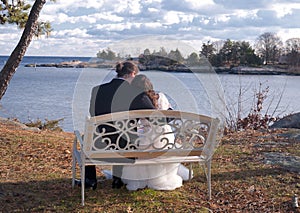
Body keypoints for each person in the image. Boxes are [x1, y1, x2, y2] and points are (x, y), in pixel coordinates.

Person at [76, 61, 155, 190]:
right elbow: (154, 116)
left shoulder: (97, 90)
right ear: (132, 73)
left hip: (99, 146)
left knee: (87, 138)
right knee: (124, 135)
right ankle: (118, 179)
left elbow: (93, 114)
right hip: (128, 148)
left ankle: (90, 180)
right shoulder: (136, 93)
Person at [121, 74, 188, 191]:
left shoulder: (137, 99)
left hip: (151, 138)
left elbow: (156, 121)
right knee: (151, 143)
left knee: (142, 143)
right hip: (166, 136)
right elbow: (163, 120)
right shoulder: (160, 97)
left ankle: (146, 178)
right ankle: (159, 175)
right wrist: (170, 112)